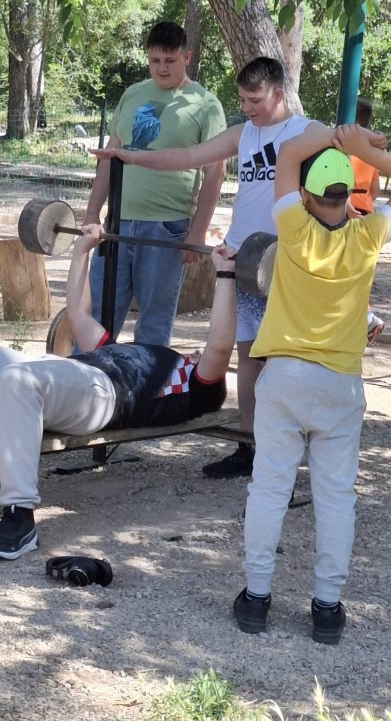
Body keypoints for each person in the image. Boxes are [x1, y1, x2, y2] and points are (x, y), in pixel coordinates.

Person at [0, 225, 237, 561]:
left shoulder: (194, 384)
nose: (198, 352)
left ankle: (19, 517)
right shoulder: (132, 353)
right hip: (67, 374)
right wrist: (82, 251)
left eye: (202, 355)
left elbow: (220, 345)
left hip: (102, 398)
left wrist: (224, 273)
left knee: (17, 379)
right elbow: (78, 314)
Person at [232, 124, 391, 644]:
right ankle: (326, 607)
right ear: (348, 197)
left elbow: (288, 152)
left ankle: (256, 598)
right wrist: (366, 151)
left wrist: (338, 135)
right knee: (336, 497)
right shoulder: (368, 235)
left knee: (269, 488)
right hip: (340, 382)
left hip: (284, 377)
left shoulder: (292, 224)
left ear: (307, 194)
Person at [94, 56, 321, 479]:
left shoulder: (306, 131)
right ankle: (249, 446)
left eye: (254, 100)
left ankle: (292, 448)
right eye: (242, 100)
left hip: (287, 261)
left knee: (288, 359)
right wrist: (131, 157)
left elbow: (342, 153)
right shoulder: (243, 133)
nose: (247, 108)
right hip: (243, 260)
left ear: (278, 94)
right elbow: (188, 156)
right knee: (248, 356)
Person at [82, 21, 226, 347]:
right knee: (95, 319)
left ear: (187, 57)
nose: (161, 68)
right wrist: (92, 213)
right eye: (154, 60)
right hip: (116, 225)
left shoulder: (205, 105)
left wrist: (197, 232)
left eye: (170, 61)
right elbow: (109, 158)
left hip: (166, 229)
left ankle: (147, 381)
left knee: (153, 327)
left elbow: (214, 174)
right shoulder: (132, 94)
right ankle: (86, 377)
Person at [347, 98, 384, 341]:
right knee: (361, 268)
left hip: (346, 210)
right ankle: (365, 316)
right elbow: (376, 190)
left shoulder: (345, 148)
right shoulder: (370, 153)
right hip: (366, 212)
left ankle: (367, 317)